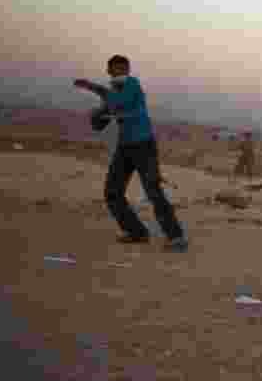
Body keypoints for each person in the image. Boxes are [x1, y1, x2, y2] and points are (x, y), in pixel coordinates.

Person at [74, 55, 188, 251]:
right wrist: (96, 111)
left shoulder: (132, 86)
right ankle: (136, 232)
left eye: (122, 70)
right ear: (109, 72)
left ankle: (176, 237)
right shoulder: (113, 94)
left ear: (128, 70)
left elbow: (119, 102)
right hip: (125, 147)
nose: (119, 73)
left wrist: (95, 92)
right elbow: (99, 123)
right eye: (115, 70)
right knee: (112, 192)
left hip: (144, 146)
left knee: (153, 191)